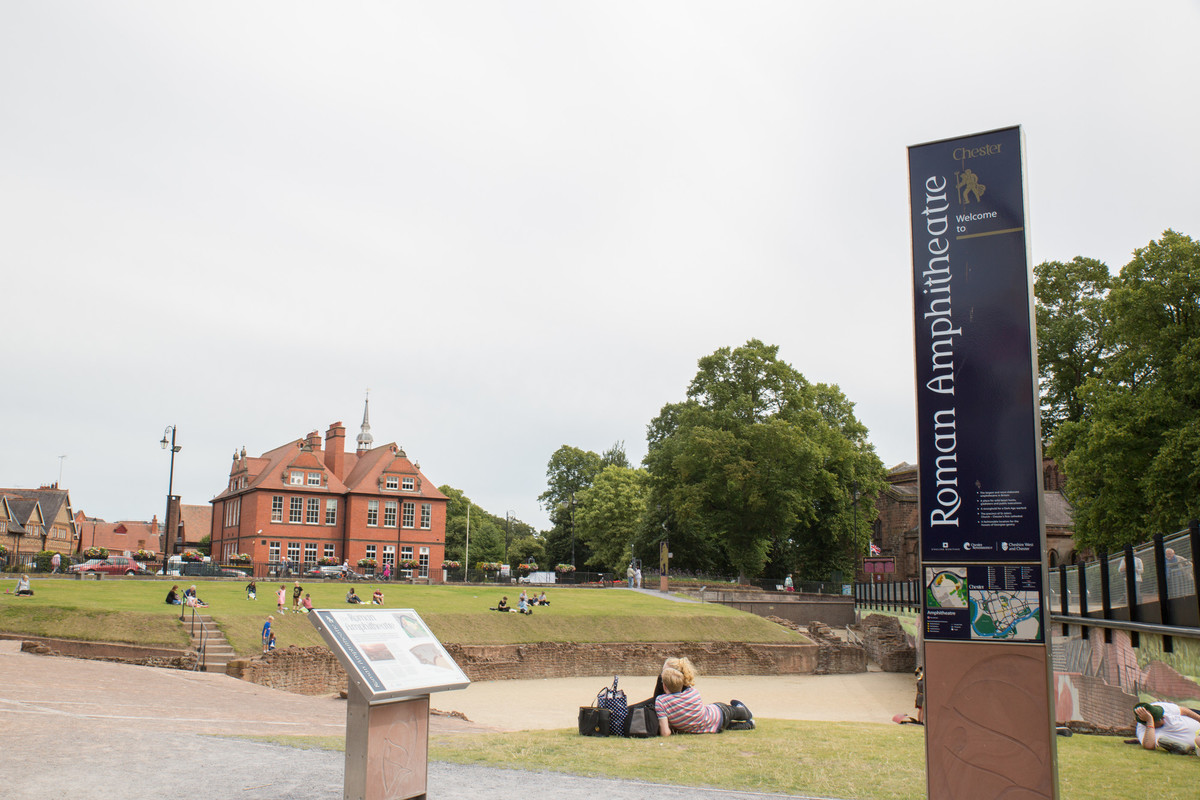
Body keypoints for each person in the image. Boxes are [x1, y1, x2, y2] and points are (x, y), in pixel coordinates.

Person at [654, 657, 753, 735]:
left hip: (713, 724)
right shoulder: (693, 692)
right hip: (715, 719)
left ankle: (746, 717)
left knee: (726, 717)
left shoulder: (661, 701)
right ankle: (746, 717)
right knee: (724, 714)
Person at [1134, 701, 1200, 754]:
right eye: (1160, 718)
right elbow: (1149, 746)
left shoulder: (1160, 707)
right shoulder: (1144, 730)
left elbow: (1185, 711)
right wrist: (1150, 721)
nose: (1164, 717)